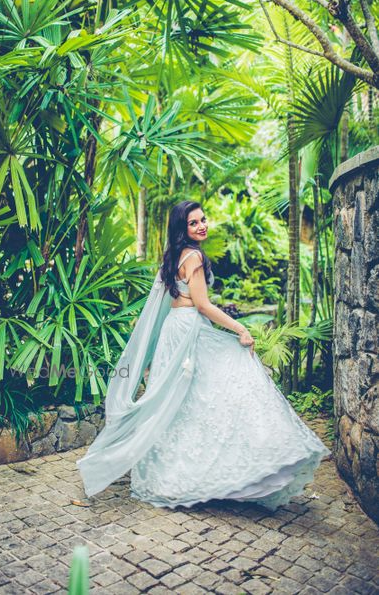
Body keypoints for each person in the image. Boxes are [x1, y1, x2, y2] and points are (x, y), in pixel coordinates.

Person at [77, 200, 331, 511]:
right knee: (216, 391)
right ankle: (225, 468)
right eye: (193, 223)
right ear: (183, 229)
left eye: (203, 219)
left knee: (181, 403)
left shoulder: (174, 256)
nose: (202, 226)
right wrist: (240, 329)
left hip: (175, 329)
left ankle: (172, 472)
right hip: (187, 333)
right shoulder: (194, 256)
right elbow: (203, 305)